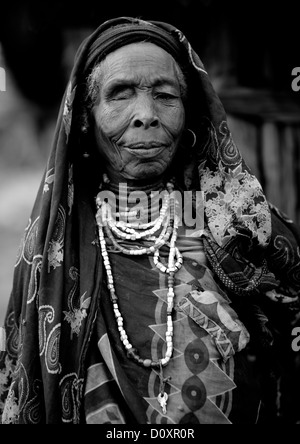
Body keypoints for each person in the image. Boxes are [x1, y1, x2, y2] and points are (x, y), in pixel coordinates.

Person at [0, 16, 299, 425]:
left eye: (165, 96)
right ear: (84, 118)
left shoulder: (239, 227)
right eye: (120, 94)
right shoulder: (52, 251)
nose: (146, 115)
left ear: (190, 115)